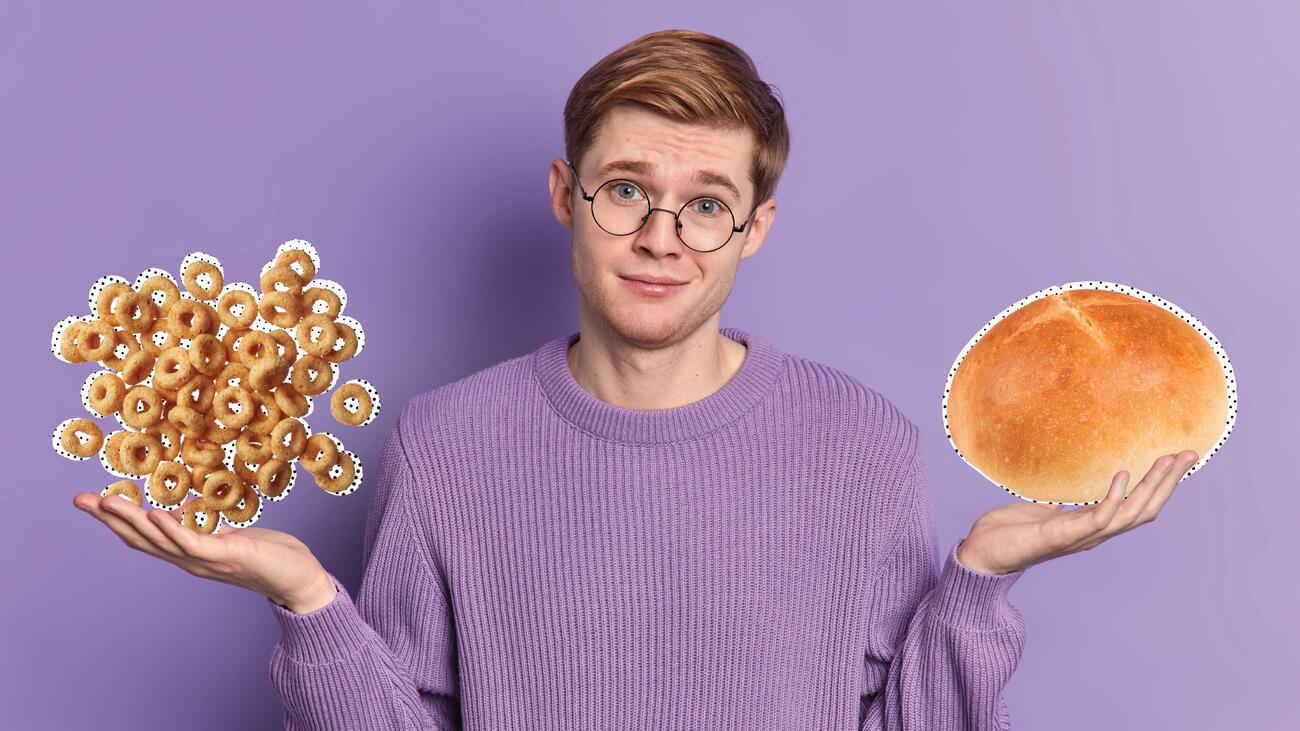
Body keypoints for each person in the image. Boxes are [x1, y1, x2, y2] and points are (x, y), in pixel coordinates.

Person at [72, 28, 1199, 730]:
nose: (662, 235)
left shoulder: (862, 441)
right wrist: (309, 598)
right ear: (567, 195)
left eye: (705, 203)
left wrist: (973, 583)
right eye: (625, 190)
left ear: (756, 228)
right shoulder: (445, 441)